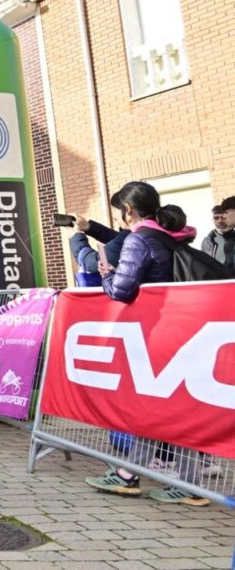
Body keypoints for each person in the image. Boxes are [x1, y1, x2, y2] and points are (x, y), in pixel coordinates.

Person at [86, 183, 211, 506]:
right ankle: (137, 475)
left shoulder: (138, 239)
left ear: (128, 211)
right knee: (164, 407)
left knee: (151, 406)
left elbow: (123, 290)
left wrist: (106, 275)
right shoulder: (170, 236)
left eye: (121, 212)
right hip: (181, 331)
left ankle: (171, 481)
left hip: (155, 335)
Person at [200, 197, 235, 275]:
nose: (220, 221)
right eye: (216, 218)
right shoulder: (207, 241)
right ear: (212, 220)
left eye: (223, 217)